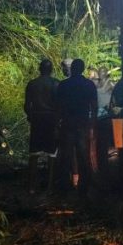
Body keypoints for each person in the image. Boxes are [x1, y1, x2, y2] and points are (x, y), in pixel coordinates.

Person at [56, 58, 98, 195]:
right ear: (82, 69)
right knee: (83, 156)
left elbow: (59, 106)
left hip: (67, 124)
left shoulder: (63, 85)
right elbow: (94, 106)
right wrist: (92, 123)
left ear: (72, 69)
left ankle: (65, 186)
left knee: (66, 156)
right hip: (83, 124)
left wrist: (58, 123)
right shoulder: (89, 85)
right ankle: (83, 185)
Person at [25, 59, 60, 193]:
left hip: (37, 119)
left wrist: (31, 117)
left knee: (34, 154)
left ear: (40, 69)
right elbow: (59, 106)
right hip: (51, 120)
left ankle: (31, 187)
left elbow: (27, 105)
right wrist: (58, 122)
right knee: (52, 155)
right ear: (51, 69)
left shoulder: (32, 84)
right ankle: (50, 188)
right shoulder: (56, 83)